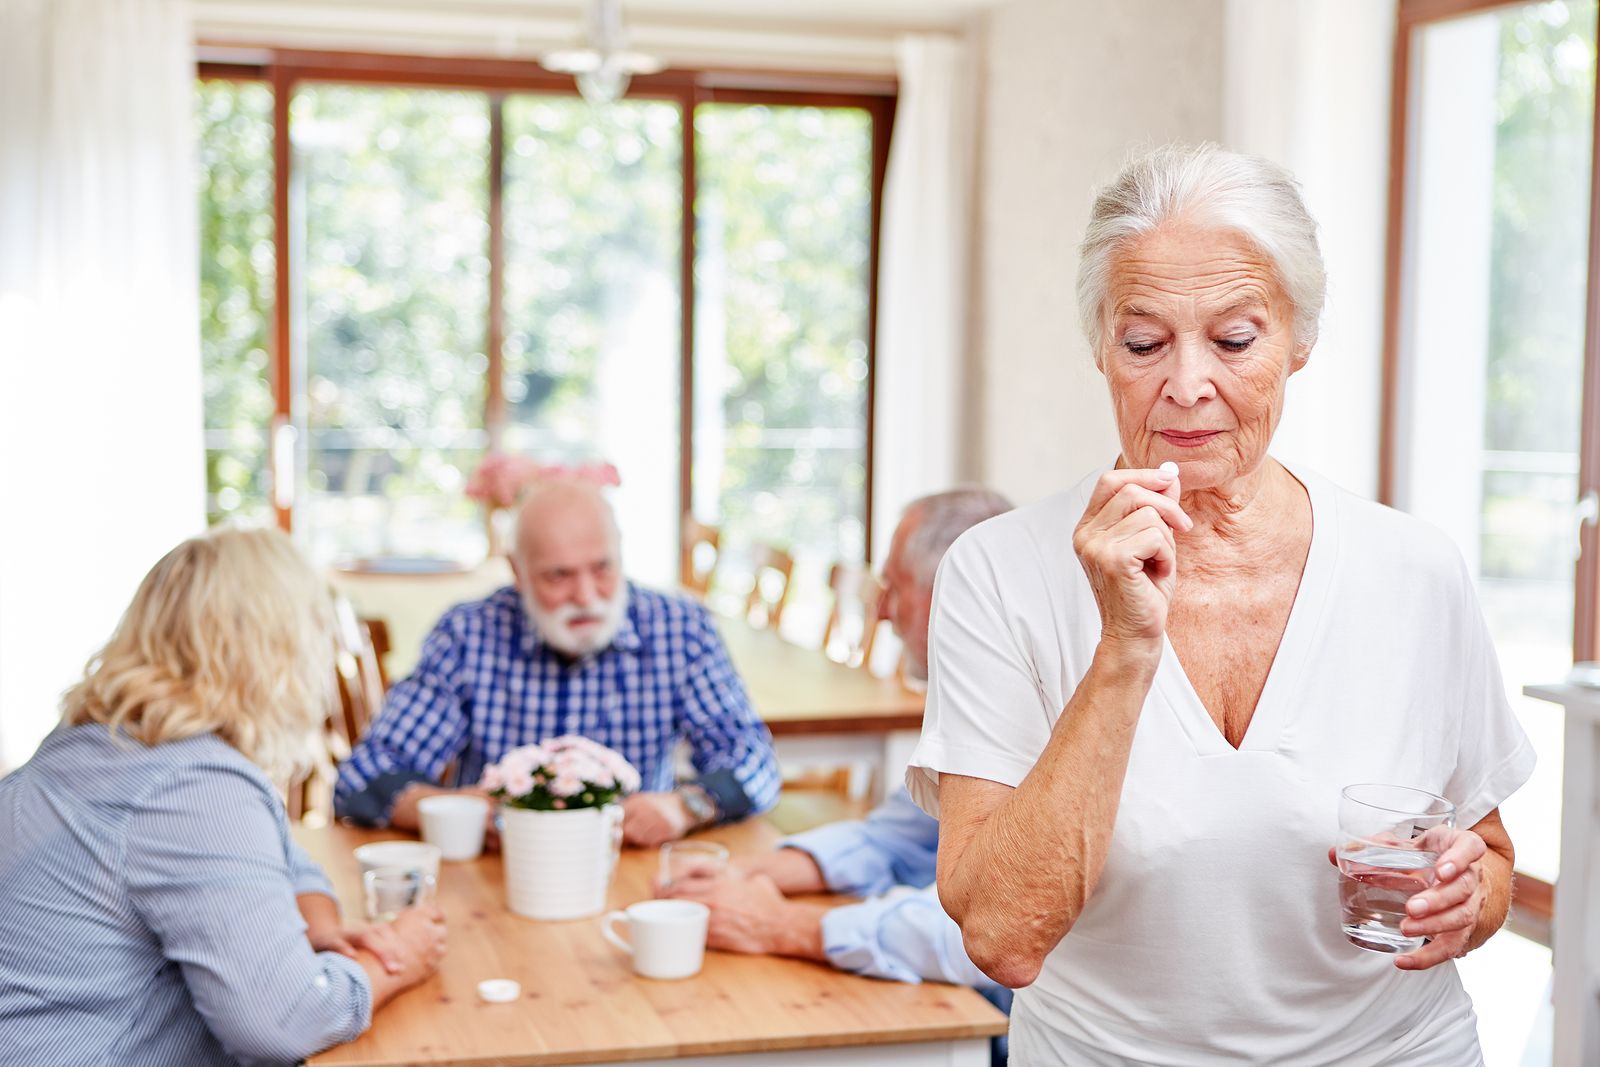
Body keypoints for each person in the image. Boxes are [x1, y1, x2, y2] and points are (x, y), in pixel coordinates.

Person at [910, 143, 1537, 1066]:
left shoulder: (1415, 569)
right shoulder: (998, 573)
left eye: (1235, 339)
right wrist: (1125, 647)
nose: (1188, 383)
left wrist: (1464, 896)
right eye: (1144, 342)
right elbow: (1002, 937)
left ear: (1299, 342)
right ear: (1100, 347)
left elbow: (1488, 854)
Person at [0, 527, 447, 1066]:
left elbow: (282, 854)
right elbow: (283, 1021)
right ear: (279, 650)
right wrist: (397, 959)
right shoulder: (192, 787)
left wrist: (323, 931)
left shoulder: (99, 745)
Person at [660, 490, 1014, 1047]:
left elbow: (983, 934)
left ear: (957, 592)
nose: (879, 611)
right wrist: (757, 874)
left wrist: (781, 927)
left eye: (893, 588)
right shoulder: (981, 699)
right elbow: (896, 838)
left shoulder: (1053, 713)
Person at [336, 479, 781, 847]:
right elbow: (365, 776)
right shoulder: (469, 633)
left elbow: (753, 758)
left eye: (602, 568)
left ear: (622, 552)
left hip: (632, 867)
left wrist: (686, 806)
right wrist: (454, 811)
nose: (586, 596)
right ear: (517, 570)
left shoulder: (680, 628)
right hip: (498, 873)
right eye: (558, 576)